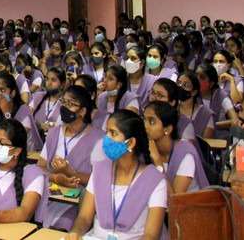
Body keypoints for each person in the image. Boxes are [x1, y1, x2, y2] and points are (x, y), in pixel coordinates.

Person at [65, 110, 167, 240]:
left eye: (113, 133)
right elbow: (84, 218)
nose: (106, 139)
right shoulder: (99, 170)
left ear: (130, 143)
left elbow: (151, 235)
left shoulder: (155, 180)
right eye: (106, 131)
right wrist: (75, 232)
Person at [37, 85, 104, 230]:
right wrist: (55, 177)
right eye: (64, 102)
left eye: (71, 104)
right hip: (48, 199)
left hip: (77, 205)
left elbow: (100, 179)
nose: (65, 107)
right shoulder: (54, 133)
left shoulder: (98, 139)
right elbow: (40, 167)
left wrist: (71, 173)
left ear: (82, 111)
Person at [143, 101, 208, 194]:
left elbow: (174, 200)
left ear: (167, 129)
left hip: (187, 206)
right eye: (144, 120)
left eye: (152, 122)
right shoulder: (144, 147)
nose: (145, 126)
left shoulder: (185, 153)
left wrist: (157, 161)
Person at [176, 71, 214, 139]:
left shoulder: (206, 114)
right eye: (179, 83)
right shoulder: (172, 108)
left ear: (194, 92)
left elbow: (206, 144)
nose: (180, 87)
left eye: (186, 85)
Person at [31, 67, 65, 133]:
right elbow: (27, 119)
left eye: (53, 80)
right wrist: (39, 126)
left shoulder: (65, 104)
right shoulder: (37, 96)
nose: (49, 83)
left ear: (62, 84)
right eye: (47, 79)